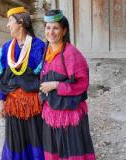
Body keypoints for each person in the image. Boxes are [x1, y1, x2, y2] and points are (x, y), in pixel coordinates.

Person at [39, 9, 96, 160]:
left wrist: (57, 85)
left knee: (71, 150)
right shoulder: (47, 51)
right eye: (48, 28)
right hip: (51, 111)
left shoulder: (72, 54)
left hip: (69, 114)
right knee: (55, 149)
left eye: (56, 28)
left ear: (64, 31)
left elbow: (82, 83)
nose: (51, 32)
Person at [0, 7, 45, 160]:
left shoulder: (38, 46)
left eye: (10, 21)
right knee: (15, 142)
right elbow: (3, 78)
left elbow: (44, 78)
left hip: (33, 106)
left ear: (21, 22)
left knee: (35, 140)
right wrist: (1, 101)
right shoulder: (6, 48)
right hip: (13, 106)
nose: (8, 25)